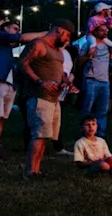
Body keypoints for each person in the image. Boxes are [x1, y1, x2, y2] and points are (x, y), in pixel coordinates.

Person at [0, 18, 45, 160]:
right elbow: (23, 38)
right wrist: (47, 33)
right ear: (5, 29)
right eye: (14, 28)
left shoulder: (4, 46)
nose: (17, 31)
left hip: (8, 84)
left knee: (1, 118)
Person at [19, 20, 75, 176]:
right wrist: (40, 81)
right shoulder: (38, 44)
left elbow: (59, 73)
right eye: (67, 35)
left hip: (54, 99)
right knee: (39, 135)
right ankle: (31, 171)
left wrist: (65, 83)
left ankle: (36, 170)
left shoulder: (58, 51)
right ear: (59, 30)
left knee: (45, 137)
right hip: (39, 97)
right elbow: (23, 64)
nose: (68, 40)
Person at [76, 24, 112, 137]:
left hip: (105, 81)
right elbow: (79, 60)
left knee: (103, 110)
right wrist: (88, 56)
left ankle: (100, 134)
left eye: (106, 30)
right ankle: (84, 133)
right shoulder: (88, 44)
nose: (105, 32)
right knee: (87, 109)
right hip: (91, 80)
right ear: (95, 32)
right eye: (102, 30)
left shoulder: (108, 45)